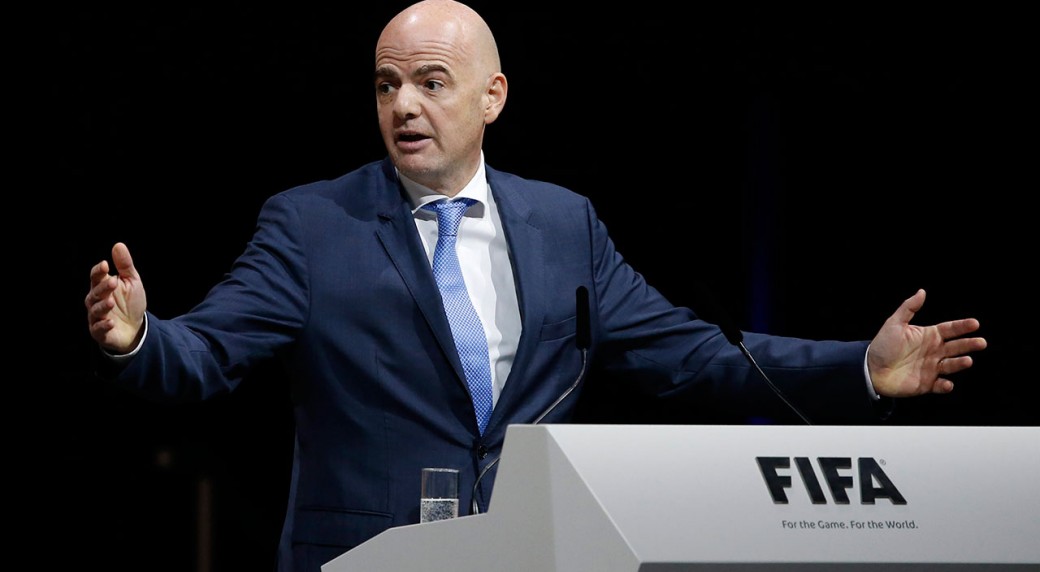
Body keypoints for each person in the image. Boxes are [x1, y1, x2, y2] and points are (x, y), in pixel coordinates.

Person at [84, 1, 986, 571]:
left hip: (528, 554)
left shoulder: (564, 225)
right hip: (362, 558)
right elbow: (210, 349)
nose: (403, 105)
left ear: (493, 96)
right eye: (387, 85)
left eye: (431, 82)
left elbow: (692, 356)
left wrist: (860, 371)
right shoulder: (312, 224)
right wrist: (140, 337)